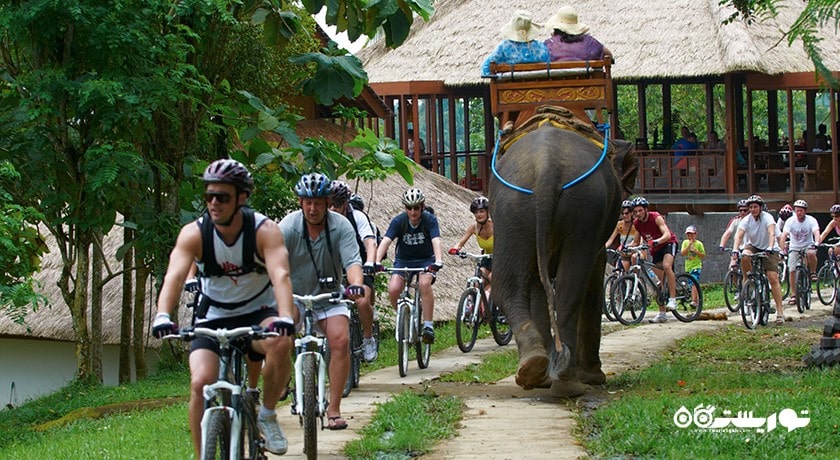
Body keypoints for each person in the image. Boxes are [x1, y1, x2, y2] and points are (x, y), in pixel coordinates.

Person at [151, 159, 297, 457]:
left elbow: (280, 275)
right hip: (213, 315)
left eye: (223, 196)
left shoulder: (264, 231)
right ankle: (202, 454)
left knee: (281, 341)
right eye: (209, 196)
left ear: (241, 198)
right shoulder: (194, 233)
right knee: (200, 383)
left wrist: (284, 315)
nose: (214, 203)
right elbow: (175, 276)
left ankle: (267, 414)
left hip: (258, 312)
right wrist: (163, 315)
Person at [278, 172, 366, 431]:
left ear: (328, 202)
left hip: (328, 297)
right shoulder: (288, 227)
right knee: (279, 337)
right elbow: (274, 262)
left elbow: (352, 262)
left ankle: (334, 409)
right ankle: (282, 380)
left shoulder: (341, 226)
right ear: (300, 202)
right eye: (308, 202)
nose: (313, 208)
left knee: (341, 340)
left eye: (318, 202)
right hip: (293, 296)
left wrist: (357, 285)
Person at [376, 187, 444, 343]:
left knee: (424, 283)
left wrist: (438, 260)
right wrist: (375, 262)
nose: (413, 212)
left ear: (422, 206)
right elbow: (386, 241)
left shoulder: (429, 220)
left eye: (416, 208)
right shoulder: (399, 221)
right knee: (393, 289)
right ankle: (403, 318)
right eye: (409, 208)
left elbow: (436, 240)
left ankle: (428, 326)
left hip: (426, 259)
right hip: (404, 260)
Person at [328, 180, 379, 362]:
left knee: (362, 301)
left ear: (346, 204)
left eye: (338, 204)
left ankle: (368, 338)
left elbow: (370, 242)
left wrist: (370, 262)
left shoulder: (357, 217)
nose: (333, 208)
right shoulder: (321, 218)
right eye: (329, 204)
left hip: (360, 264)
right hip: (334, 267)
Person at [731, 195, 785, 324]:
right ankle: (748, 282)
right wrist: (735, 249)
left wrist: (771, 247)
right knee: (744, 256)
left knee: (772, 277)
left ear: (760, 208)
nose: (753, 209)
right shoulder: (747, 220)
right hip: (753, 245)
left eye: (755, 207)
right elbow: (738, 236)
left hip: (769, 247)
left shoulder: (767, 218)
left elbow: (772, 233)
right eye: (751, 207)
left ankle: (780, 312)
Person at [629, 196, 678, 323]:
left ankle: (673, 299)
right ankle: (662, 313)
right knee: (659, 283)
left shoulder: (655, 217)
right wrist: (624, 247)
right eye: (635, 212)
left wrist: (657, 241)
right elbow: (635, 242)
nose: (638, 214)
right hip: (655, 249)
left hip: (668, 243)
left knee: (667, 266)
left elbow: (666, 234)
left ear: (646, 209)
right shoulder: (637, 224)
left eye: (640, 210)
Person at [481, 10, 550, 77]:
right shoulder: (541, 47)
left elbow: (485, 68)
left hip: (508, 87)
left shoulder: (504, 47)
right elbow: (549, 67)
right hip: (537, 87)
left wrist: (500, 78)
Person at [779, 199, 820, 306]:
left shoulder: (811, 220)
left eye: (801, 210)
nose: (799, 213)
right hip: (794, 247)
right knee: (792, 269)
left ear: (805, 211)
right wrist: (781, 249)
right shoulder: (790, 221)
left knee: (811, 253)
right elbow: (784, 235)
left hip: (808, 245)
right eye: (797, 210)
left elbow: (816, 232)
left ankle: (813, 272)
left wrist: (816, 243)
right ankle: (793, 295)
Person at [449, 196, 494, 282]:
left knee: (492, 278)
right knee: (478, 282)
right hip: (487, 260)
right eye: (476, 212)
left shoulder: (495, 225)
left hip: (500, 259)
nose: (479, 215)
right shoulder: (473, 228)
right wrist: (455, 249)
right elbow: (460, 243)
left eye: (481, 211)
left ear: (488, 212)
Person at [543, 5, 609, 62]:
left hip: (556, 76)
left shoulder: (548, 45)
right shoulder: (590, 42)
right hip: (586, 76)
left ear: (556, 27)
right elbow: (608, 55)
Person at [604, 199, 639, 272]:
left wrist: (629, 247)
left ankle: (635, 279)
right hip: (624, 254)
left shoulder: (637, 224)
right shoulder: (619, 224)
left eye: (626, 213)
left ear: (632, 213)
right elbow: (611, 239)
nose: (624, 216)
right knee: (621, 271)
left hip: (635, 252)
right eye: (622, 213)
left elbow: (639, 241)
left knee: (634, 258)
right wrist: (603, 248)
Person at [680, 225, 705, 307]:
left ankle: (694, 301)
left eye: (691, 234)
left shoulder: (699, 244)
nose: (690, 236)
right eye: (688, 234)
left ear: (695, 234)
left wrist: (696, 251)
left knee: (694, 282)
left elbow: (703, 255)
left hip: (696, 266)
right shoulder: (685, 242)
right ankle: (697, 301)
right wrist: (688, 246)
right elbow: (682, 253)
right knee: (692, 284)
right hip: (688, 266)